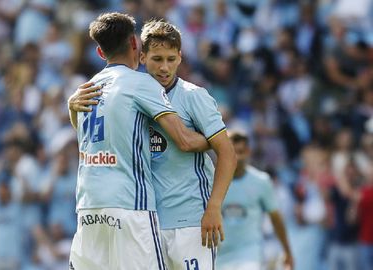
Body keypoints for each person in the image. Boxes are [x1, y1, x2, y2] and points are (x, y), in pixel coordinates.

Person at [70, 19, 237, 270]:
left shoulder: (194, 96)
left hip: (190, 220)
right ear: (141, 55)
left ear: (180, 58)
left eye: (171, 59)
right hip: (148, 220)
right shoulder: (136, 92)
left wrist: (213, 207)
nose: (164, 67)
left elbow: (228, 154)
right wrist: (73, 105)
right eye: (157, 59)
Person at [217, 131, 293, 270]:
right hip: (220, 258)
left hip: (250, 255)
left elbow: (276, 218)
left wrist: (287, 252)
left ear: (248, 152)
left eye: (240, 151)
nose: (236, 156)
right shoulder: (212, 181)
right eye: (232, 151)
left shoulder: (261, 181)